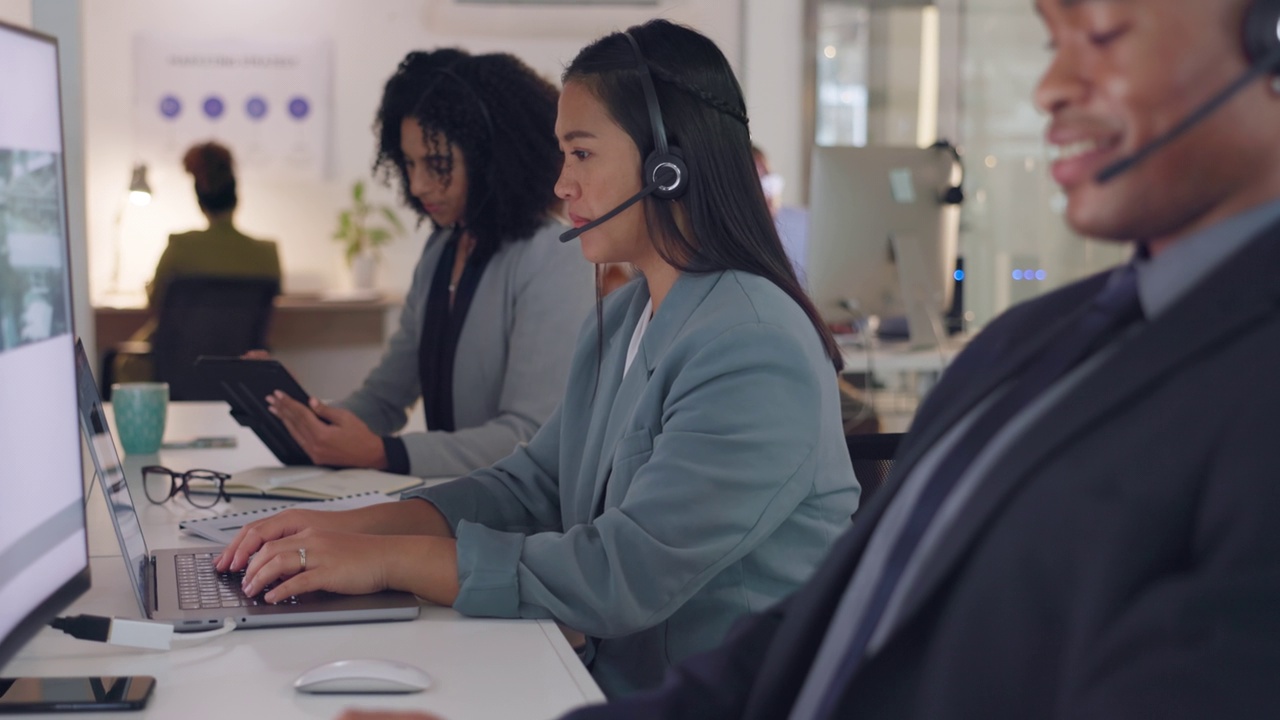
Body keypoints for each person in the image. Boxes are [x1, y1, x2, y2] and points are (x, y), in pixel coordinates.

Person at [543, 0, 1280, 716]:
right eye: (1055, 45)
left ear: (1268, 41)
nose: (1051, 89)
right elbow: (830, 624)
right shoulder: (1024, 344)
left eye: (1105, 36)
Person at [218, 19, 858, 699]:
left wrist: (384, 560)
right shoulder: (624, 315)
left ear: (668, 165)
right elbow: (533, 487)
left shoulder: (753, 347)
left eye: (581, 154)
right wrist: (345, 527)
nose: (562, 185)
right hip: (600, 679)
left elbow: (619, 576)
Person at [263, 50, 593, 477]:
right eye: (409, 163)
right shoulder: (440, 250)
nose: (417, 184)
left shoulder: (552, 255)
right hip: (455, 502)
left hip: (522, 523)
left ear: (492, 159)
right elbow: (383, 400)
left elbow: (530, 434)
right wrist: (298, 413)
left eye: (437, 165)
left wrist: (388, 454)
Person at [113, 141, 280, 383]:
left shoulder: (180, 247)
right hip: (239, 379)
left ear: (199, 199)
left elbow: (155, 301)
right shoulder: (267, 253)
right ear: (236, 197)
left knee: (123, 361)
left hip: (175, 374)